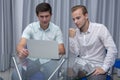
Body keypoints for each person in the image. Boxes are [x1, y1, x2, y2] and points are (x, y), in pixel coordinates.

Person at [12, 2, 65, 80]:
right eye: (41, 16)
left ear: (51, 15)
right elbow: (21, 44)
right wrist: (21, 50)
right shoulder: (30, 27)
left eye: (47, 16)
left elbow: (62, 50)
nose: (44, 19)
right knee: (16, 74)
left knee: (53, 76)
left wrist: (52, 51)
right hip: (31, 59)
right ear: (37, 16)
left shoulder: (56, 29)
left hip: (49, 60)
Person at [69, 5, 117, 80]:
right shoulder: (76, 32)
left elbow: (112, 49)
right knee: (64, 75)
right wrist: (71, 38)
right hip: (82, 66)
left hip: (96, 67)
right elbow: (76, 53)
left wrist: (104, 68)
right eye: (73, 19)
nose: (75, 22)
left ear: (86, 15)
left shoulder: (100, 28)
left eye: (78, 18)